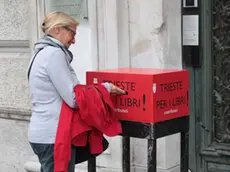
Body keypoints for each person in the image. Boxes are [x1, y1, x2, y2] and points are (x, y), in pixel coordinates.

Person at [27, 11, 125, 172]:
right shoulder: (54, 54)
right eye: (72, 33)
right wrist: (105, 88)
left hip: (43, 132)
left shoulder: (40, 53)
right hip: (54, 134)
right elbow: (73, 98)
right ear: (58, 29)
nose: (74, 39)